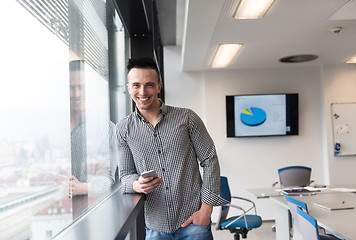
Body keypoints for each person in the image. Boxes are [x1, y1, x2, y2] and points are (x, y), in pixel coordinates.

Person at [116, 58, 228, 239]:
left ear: (159, 87)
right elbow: (126, 176)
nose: (143, 92)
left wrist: (206, 210)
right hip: (155, 226)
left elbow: (209, 159)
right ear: (128, 88)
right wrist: (137, 185)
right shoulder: (123, 129)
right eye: (136, 85)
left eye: (149, 85)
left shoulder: (187, 118)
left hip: (194, 222)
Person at [68, 60, 117, 198]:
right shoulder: (55, 128)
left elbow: (107, 180)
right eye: (71, 87)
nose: (76, 93)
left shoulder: (106, 129)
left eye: (80, 87)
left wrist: (82, 188)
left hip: (91, 207)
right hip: (58, 208)